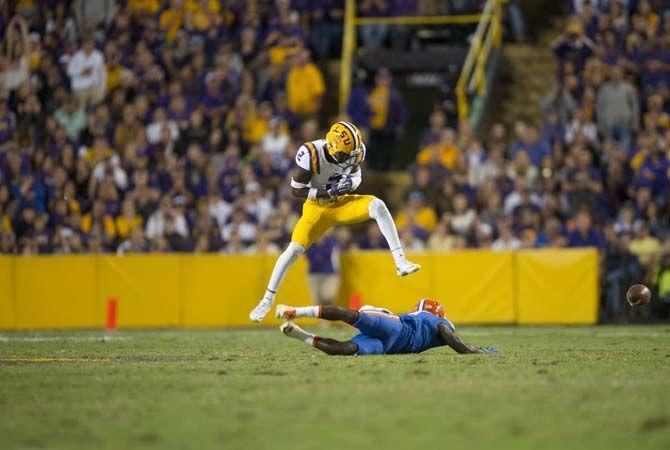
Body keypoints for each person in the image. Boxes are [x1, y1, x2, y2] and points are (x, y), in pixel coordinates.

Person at [249, 121, 421, 322]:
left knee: (378, 206)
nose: (351, 158)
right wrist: (327, 192)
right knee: (293, 250)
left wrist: (351, 184)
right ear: (332, 148)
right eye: (346, 154)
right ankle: (267, 299)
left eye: (353, 153)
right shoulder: (312, 154)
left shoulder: (352, 150)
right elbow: (295, 190)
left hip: (340, 204)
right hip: (316, 208)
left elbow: (356, 175)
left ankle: (400, 261)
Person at [275, 298, 499, 356]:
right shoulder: (436, 321)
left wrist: (474, 349)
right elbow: (452, 339)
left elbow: (452, 339)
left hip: (387, 345)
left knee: (345, 350)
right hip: (396, 329)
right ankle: (297, 311)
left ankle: (300, 335)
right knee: (350, 315)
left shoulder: (430, 321)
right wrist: (475, 351)